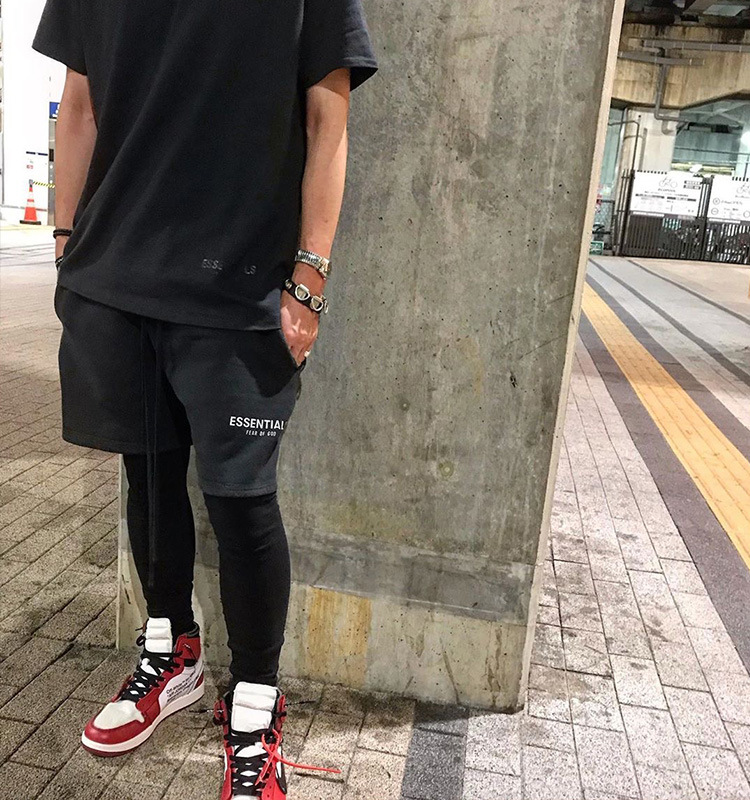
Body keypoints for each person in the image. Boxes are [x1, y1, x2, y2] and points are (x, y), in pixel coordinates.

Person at [32, 1, 377, 796]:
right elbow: (79, 104)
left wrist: (310, 280)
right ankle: (170, 650)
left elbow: (328, 118)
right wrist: (66, 244)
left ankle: (254, 706)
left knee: (242, 503)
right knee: (148, 480)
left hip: (242, 288)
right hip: (113, 280)